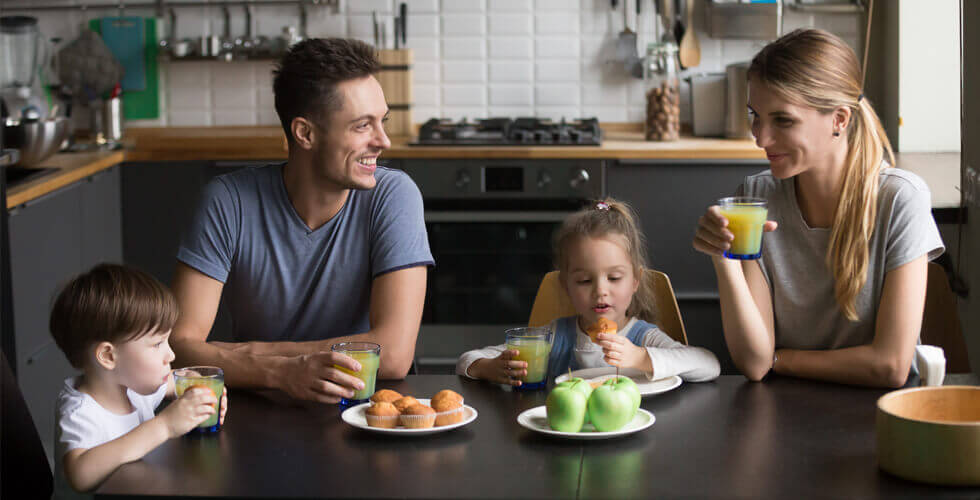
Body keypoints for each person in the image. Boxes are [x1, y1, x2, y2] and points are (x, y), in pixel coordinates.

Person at [170, 38, 433, 403]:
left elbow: (393, 355)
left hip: (367, 410)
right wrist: (281, 372)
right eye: (362, 126)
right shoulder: (227, 201)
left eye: (382, 121)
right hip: (255, 409)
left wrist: (246, 355)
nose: (383, 140)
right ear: (305, 133)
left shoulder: (394, 195)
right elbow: (180, 348)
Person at [692, 29, 944, 388]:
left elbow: (889, 366)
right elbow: (753, 362)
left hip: (878, 417)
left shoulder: (900, 200)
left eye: (783, 120)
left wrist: (781, 358)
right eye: (756, 115)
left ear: (839, 119)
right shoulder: (757, 195)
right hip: (783, 413)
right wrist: (723, 259)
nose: (761, 138)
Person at [458, 199, 720, 385]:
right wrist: (489, 368)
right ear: (566, 286)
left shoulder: (643, 338)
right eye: (584, 281)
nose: (600, 291)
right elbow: (466, 360)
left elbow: (709, 364)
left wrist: (641, 358)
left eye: (614, 278)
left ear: (635, 281)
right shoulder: (555, 337)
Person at [49, 264, 227, 498]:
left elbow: (179, 382)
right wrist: (165, 426)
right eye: (157, 344)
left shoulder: (132, 387)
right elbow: (81, 475)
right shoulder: (81, 412)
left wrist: (202, 394)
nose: (171, 355)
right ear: (109, 356)